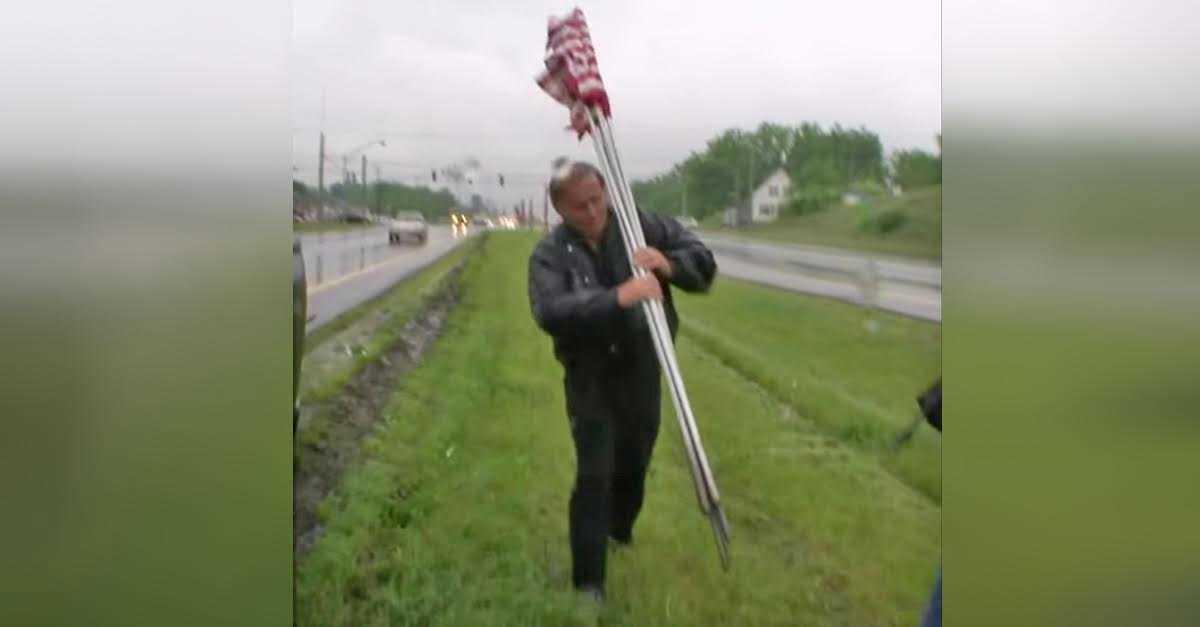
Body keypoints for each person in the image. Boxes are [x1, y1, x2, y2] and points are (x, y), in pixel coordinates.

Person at [527, 160, 717, 600]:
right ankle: (588, 582)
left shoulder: (640, 225)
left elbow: (702, 261)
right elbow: (551, 311)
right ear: (560, 209)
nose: (593, 212)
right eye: (580, 207)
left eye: (597, 200)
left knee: (635, 460)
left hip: (643, 366)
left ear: (607, 193)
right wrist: (619, 297)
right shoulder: (550, 254)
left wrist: (668, 264)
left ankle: (619, 530)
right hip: (590, 375)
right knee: (594, 472)